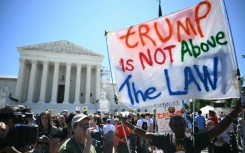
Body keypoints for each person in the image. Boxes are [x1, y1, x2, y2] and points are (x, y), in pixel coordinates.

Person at [120, 98, 243, 153]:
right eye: (176, 125)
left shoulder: (195, 139)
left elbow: (217, 130)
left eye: (181, 124)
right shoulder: (165, 139)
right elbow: (145, 134)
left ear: (185, 125)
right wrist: (126, 124)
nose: (178, 127)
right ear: (171, 126)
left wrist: (235, 112)